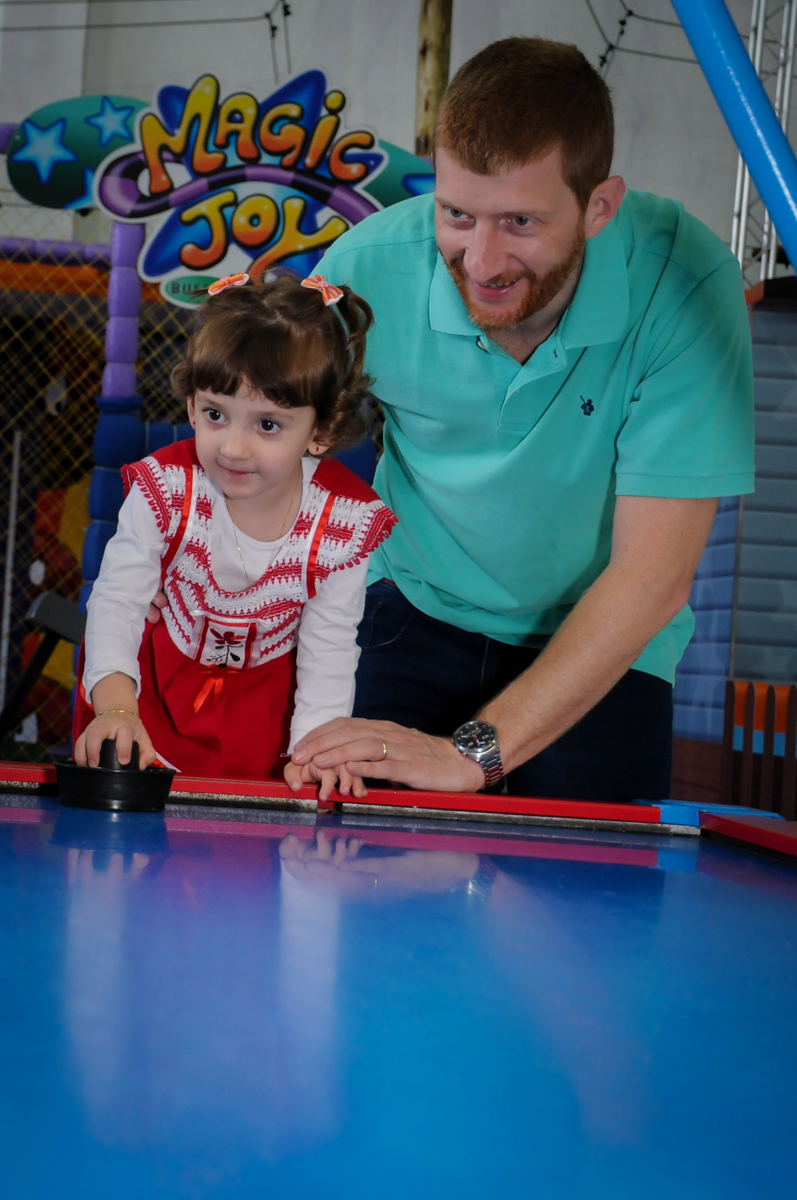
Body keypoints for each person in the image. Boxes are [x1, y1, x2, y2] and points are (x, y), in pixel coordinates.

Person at [289, 36, 755, 800]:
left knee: (593, 873)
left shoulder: (686, 289)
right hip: (414, 603)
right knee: (345, 834)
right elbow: (263, 453)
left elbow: (651, 576)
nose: (479, 261)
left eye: (518, 223)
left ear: (598, 207)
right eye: (456, 214)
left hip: (603, 631)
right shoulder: (363, 271)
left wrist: (469, 754)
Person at [73, 272, 396, 796]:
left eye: (267, 424)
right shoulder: (166, 489)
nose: (233, 448)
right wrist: (115, 710)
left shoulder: (339, 524)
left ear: (321, 431)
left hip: (266, 707)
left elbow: (330, 647)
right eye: (216, 414)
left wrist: (314, 752)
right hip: (149, 690)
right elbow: (118, 602)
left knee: (253, 829)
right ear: (191, 406)